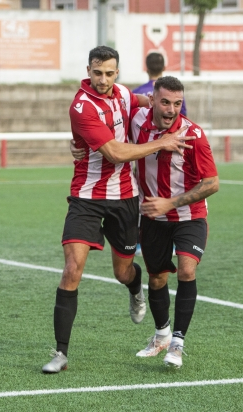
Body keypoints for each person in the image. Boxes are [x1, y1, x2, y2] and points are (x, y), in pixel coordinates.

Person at [41, 46, 195, 374]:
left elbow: (154, 103)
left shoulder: (124, 94)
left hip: (125, 198)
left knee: (123, 272)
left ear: (117, 73)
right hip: (86, 196)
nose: (103, 79)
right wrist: (161, 143)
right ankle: (61, 352)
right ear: (88, 70)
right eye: (97, 73)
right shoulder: (82, 107)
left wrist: (174, 118)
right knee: (72, 269)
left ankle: (133, 287)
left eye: (110, 73)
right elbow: (113, 152)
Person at [131, 76, 219, 369]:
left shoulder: (193, 134)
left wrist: (171, 202)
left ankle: (178, 344)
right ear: (152, 99)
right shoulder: (137, 121)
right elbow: (103, 133)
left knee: (186, 269)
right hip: (152, 216)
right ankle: (161, 336)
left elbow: (212, 183)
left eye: (177, 103)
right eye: (165, 102)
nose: (171, 109)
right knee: (156, 277)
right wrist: (77, 144)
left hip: (189, 215)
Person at [131, 52, 186, 256]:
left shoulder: (137, 93)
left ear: (146, 67)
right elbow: (181, 123)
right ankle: (170, 239)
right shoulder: (175, 95)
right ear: (163, 66)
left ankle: (139, 240)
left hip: (144, 154)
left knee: (143, 189)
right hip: (170, 153)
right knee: (169, 189)